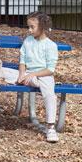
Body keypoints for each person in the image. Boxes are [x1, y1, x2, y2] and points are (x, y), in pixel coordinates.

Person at [18, 11, 59, 142]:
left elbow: (50, 70)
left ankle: (51, 127)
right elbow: (22, 60)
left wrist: (33, 74)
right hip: (28, 73)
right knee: (5, 72)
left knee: (49, 93)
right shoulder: (28, 41)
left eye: (32, 27)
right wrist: (21, 74)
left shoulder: (50, 45)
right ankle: (31, 81)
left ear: (42, 27)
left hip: (43, 74)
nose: (29, 30)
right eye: (28, 27)